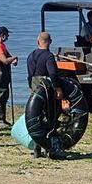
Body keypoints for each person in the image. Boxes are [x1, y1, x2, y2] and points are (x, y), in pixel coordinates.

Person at [26, 31, 65, 159]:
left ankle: (37, 149)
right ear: (50, 42)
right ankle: (50, 149)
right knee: (50, 116)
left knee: (36, 117)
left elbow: (30, 75)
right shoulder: (48, 56)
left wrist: (30, 88)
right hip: (45, 86)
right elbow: (53, 74)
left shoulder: (30, 55)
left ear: (38, 42)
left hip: (34, 85)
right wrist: (58, 88)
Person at [0, 26, 18, 129]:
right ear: (2, 35)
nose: (8, 36)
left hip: (4, 73)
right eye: (7, 34)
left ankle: (3, 119)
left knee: (4, 95)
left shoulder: (2, 45)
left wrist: (13, 59)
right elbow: (4, 60)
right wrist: (14, 58)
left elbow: (8, 57)